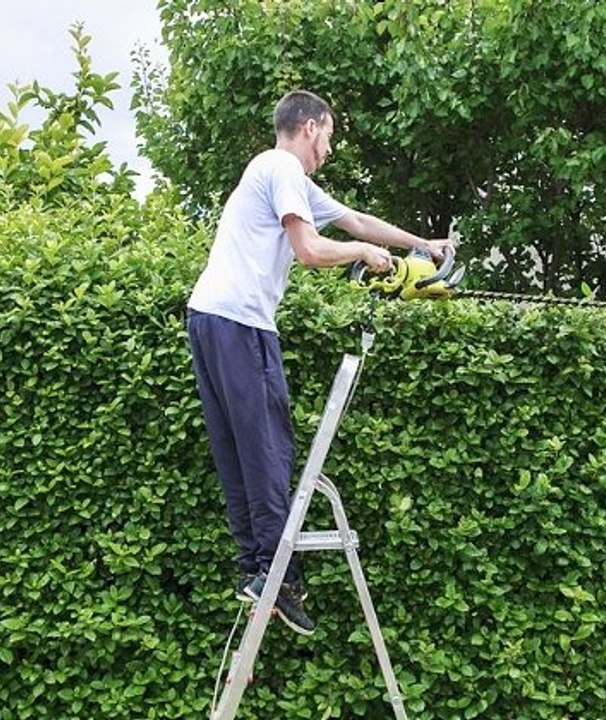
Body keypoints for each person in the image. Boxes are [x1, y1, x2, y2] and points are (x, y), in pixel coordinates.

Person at [186, 90, 454, 635]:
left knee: (238, 448)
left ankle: (256, 570)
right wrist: (361, 256)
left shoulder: (280, 176)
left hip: (208, 317)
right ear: (309, 127)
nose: (329, 149)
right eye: (329, 136)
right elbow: (310, 250)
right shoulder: (281, 165)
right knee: (267, 446)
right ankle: (277, 577)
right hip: (241, 323)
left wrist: (419, 244)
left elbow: (355, 219)